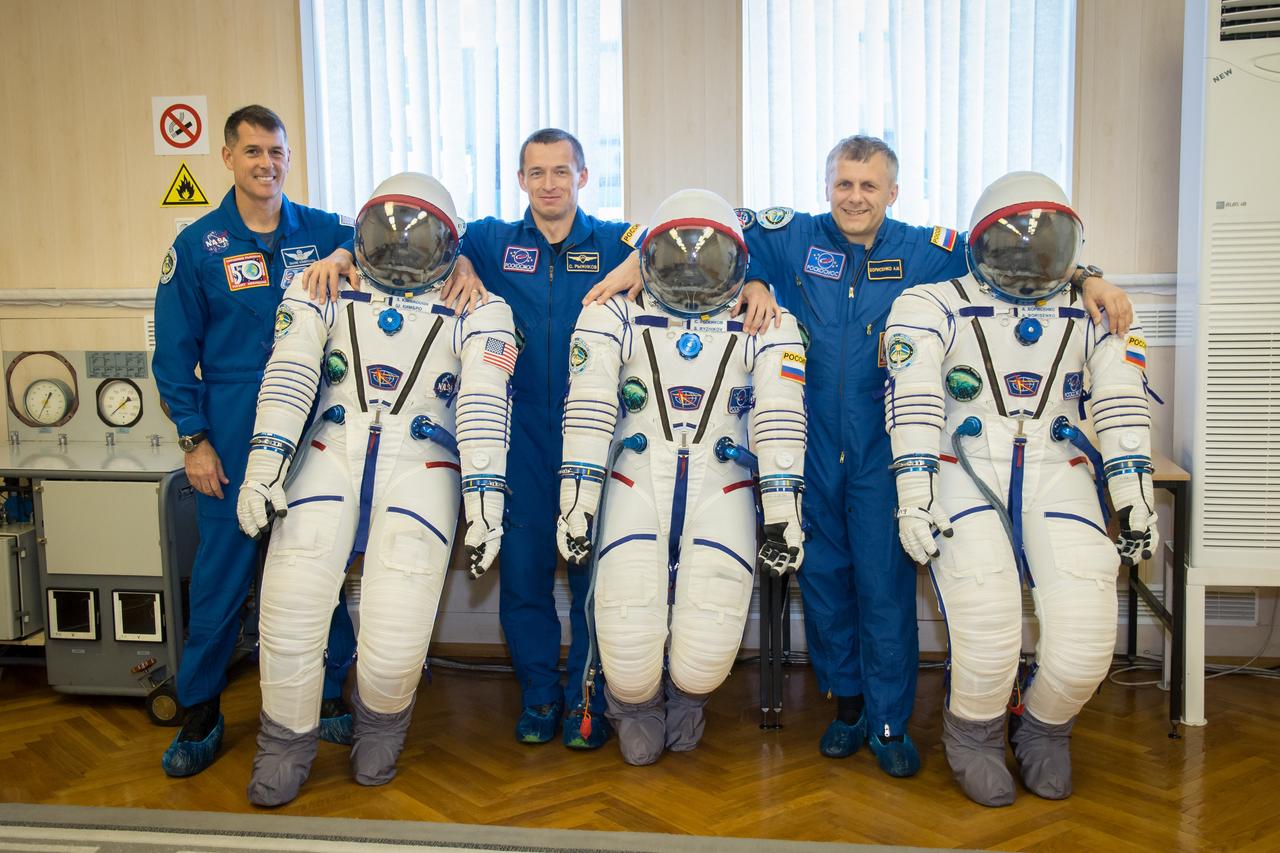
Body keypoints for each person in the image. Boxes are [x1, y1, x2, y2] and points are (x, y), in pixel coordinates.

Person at [588, 135, 1131, 778]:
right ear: (827, 187)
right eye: (844, 184)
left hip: (885, 447)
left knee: (884, 588)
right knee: (823, 585)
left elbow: (1015, 247)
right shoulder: (794, 236)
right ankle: (847, 710)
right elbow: (711, 224)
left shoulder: (928, 249)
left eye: (869, 186)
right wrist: (653, 268)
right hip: (810, 443)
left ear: (892, 192)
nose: (855, 197)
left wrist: (1088, 274)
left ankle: (888, 722)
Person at [300, 128, 780, 749]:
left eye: (562, 171)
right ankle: (538, 700)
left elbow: (704, 248)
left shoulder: (617, 241)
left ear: (583, 178)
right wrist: (343, 255)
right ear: (521, 180)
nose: (549, 184)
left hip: (603, 435)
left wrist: (756, 283)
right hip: (516, 431)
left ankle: (589, 701)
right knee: (523, 574)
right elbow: (407, 238)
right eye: (537, 173)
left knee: (597, 581)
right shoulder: (493, 240)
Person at [238, 171, 515, 806]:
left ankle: (380, 727)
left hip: (422, 463)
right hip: (329, 450)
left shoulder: (481, 308)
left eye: (418, 240)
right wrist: (263, 469)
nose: (400, 253)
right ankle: (285, 743)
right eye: (386, 238)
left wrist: (485, 499)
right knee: (291, 604)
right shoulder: (320, 288)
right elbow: (288, 376)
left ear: (449, 246)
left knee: (398, 628)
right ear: (359, 237)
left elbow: (482, 403)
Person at [884, 170, 1156, 805]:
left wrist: (1134, 503)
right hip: (964, 468)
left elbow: (1122, 408)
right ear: (981, 243)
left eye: (1049, 245)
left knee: (1089, 632)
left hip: (1057, 471)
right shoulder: (930, 305)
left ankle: (1044, 729)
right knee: (987, 620)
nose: (1030, 259)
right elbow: (916, 403)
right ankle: (973, 734)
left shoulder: (1097, 309)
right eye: (1013, 243)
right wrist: (915, 497)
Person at [556, 189, 807, 764]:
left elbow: (780, 424)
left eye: (709, 257)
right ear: (649, 257)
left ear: (739, 264)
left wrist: (783, 520)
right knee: (625, 618)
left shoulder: (766, 322)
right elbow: (589, 411)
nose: (693, 269)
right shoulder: (611, 311)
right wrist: (577, 504)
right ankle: (636, 704)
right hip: (635, 479)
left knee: (711, 632)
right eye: (677, 254)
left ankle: (688, 698)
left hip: (722, 483)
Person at [152, 105, 357, 777]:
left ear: (289, 157)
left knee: (316, 566)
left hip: (317, 427)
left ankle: (330, 694)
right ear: (228, 157)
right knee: (221, 577)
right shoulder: (197, 245)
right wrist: (195, 439)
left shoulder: (324, 229)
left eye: (276, 151)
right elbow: (174, 354)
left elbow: (386, 249)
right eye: (252, 152)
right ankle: (202, 709)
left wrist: (343, 254)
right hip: (234, 426)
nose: (265, 163)